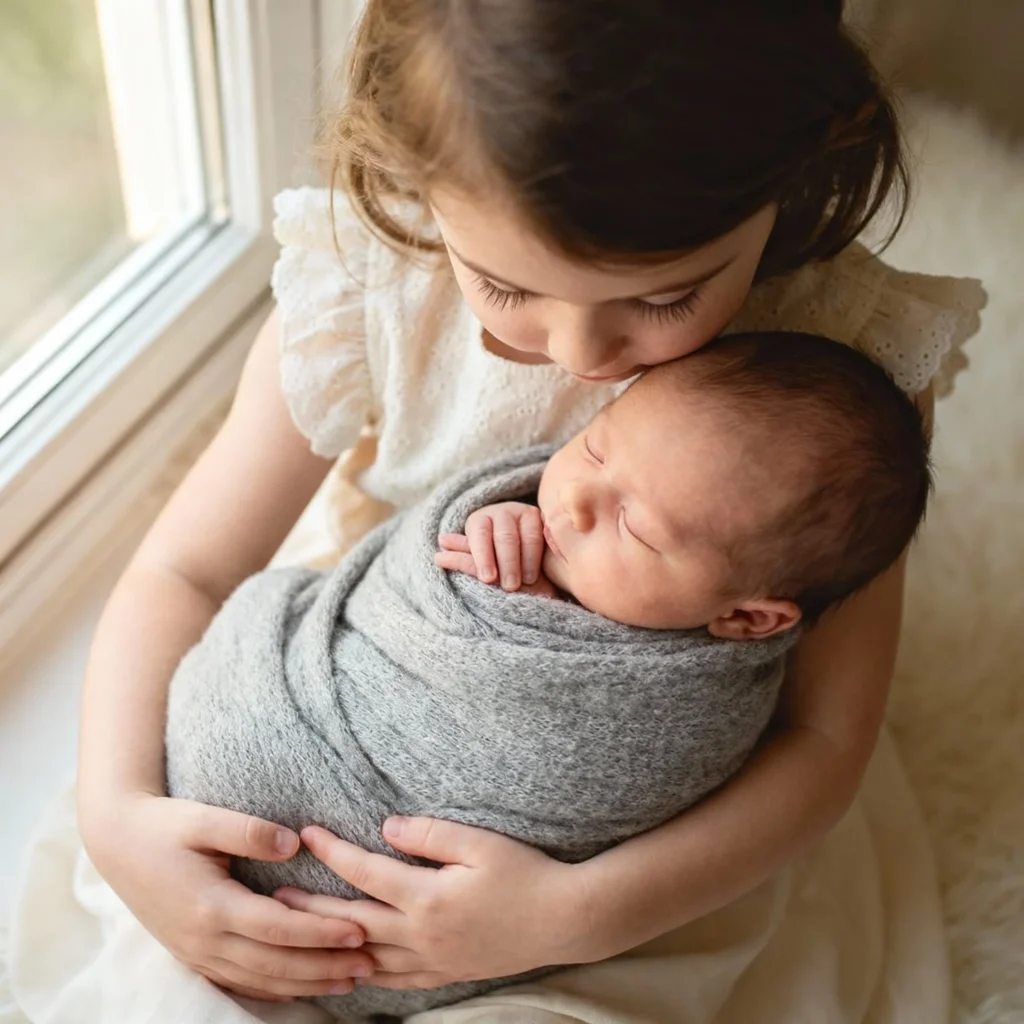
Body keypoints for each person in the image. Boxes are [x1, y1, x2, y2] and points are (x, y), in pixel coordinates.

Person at [76, 0, 985, 1007]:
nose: (582, 352)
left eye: (666, 297)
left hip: (641, 856)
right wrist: (115, 814)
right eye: (505, 287)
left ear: (796, 164)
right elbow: (187, 569)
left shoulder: (844, 368)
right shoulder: (372, 286)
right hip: (373, 680)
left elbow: (823, 740)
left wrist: (572, 914)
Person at [163, 332, 932, 1022]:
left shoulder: (692, 704)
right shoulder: (541, 509)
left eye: (635, 526)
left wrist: (566, 914)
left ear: (746, 618)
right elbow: (418, 567)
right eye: (595, 448)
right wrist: (489, 532)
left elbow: (635, 786)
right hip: (290, 704)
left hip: (464, 914)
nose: (575, 504)